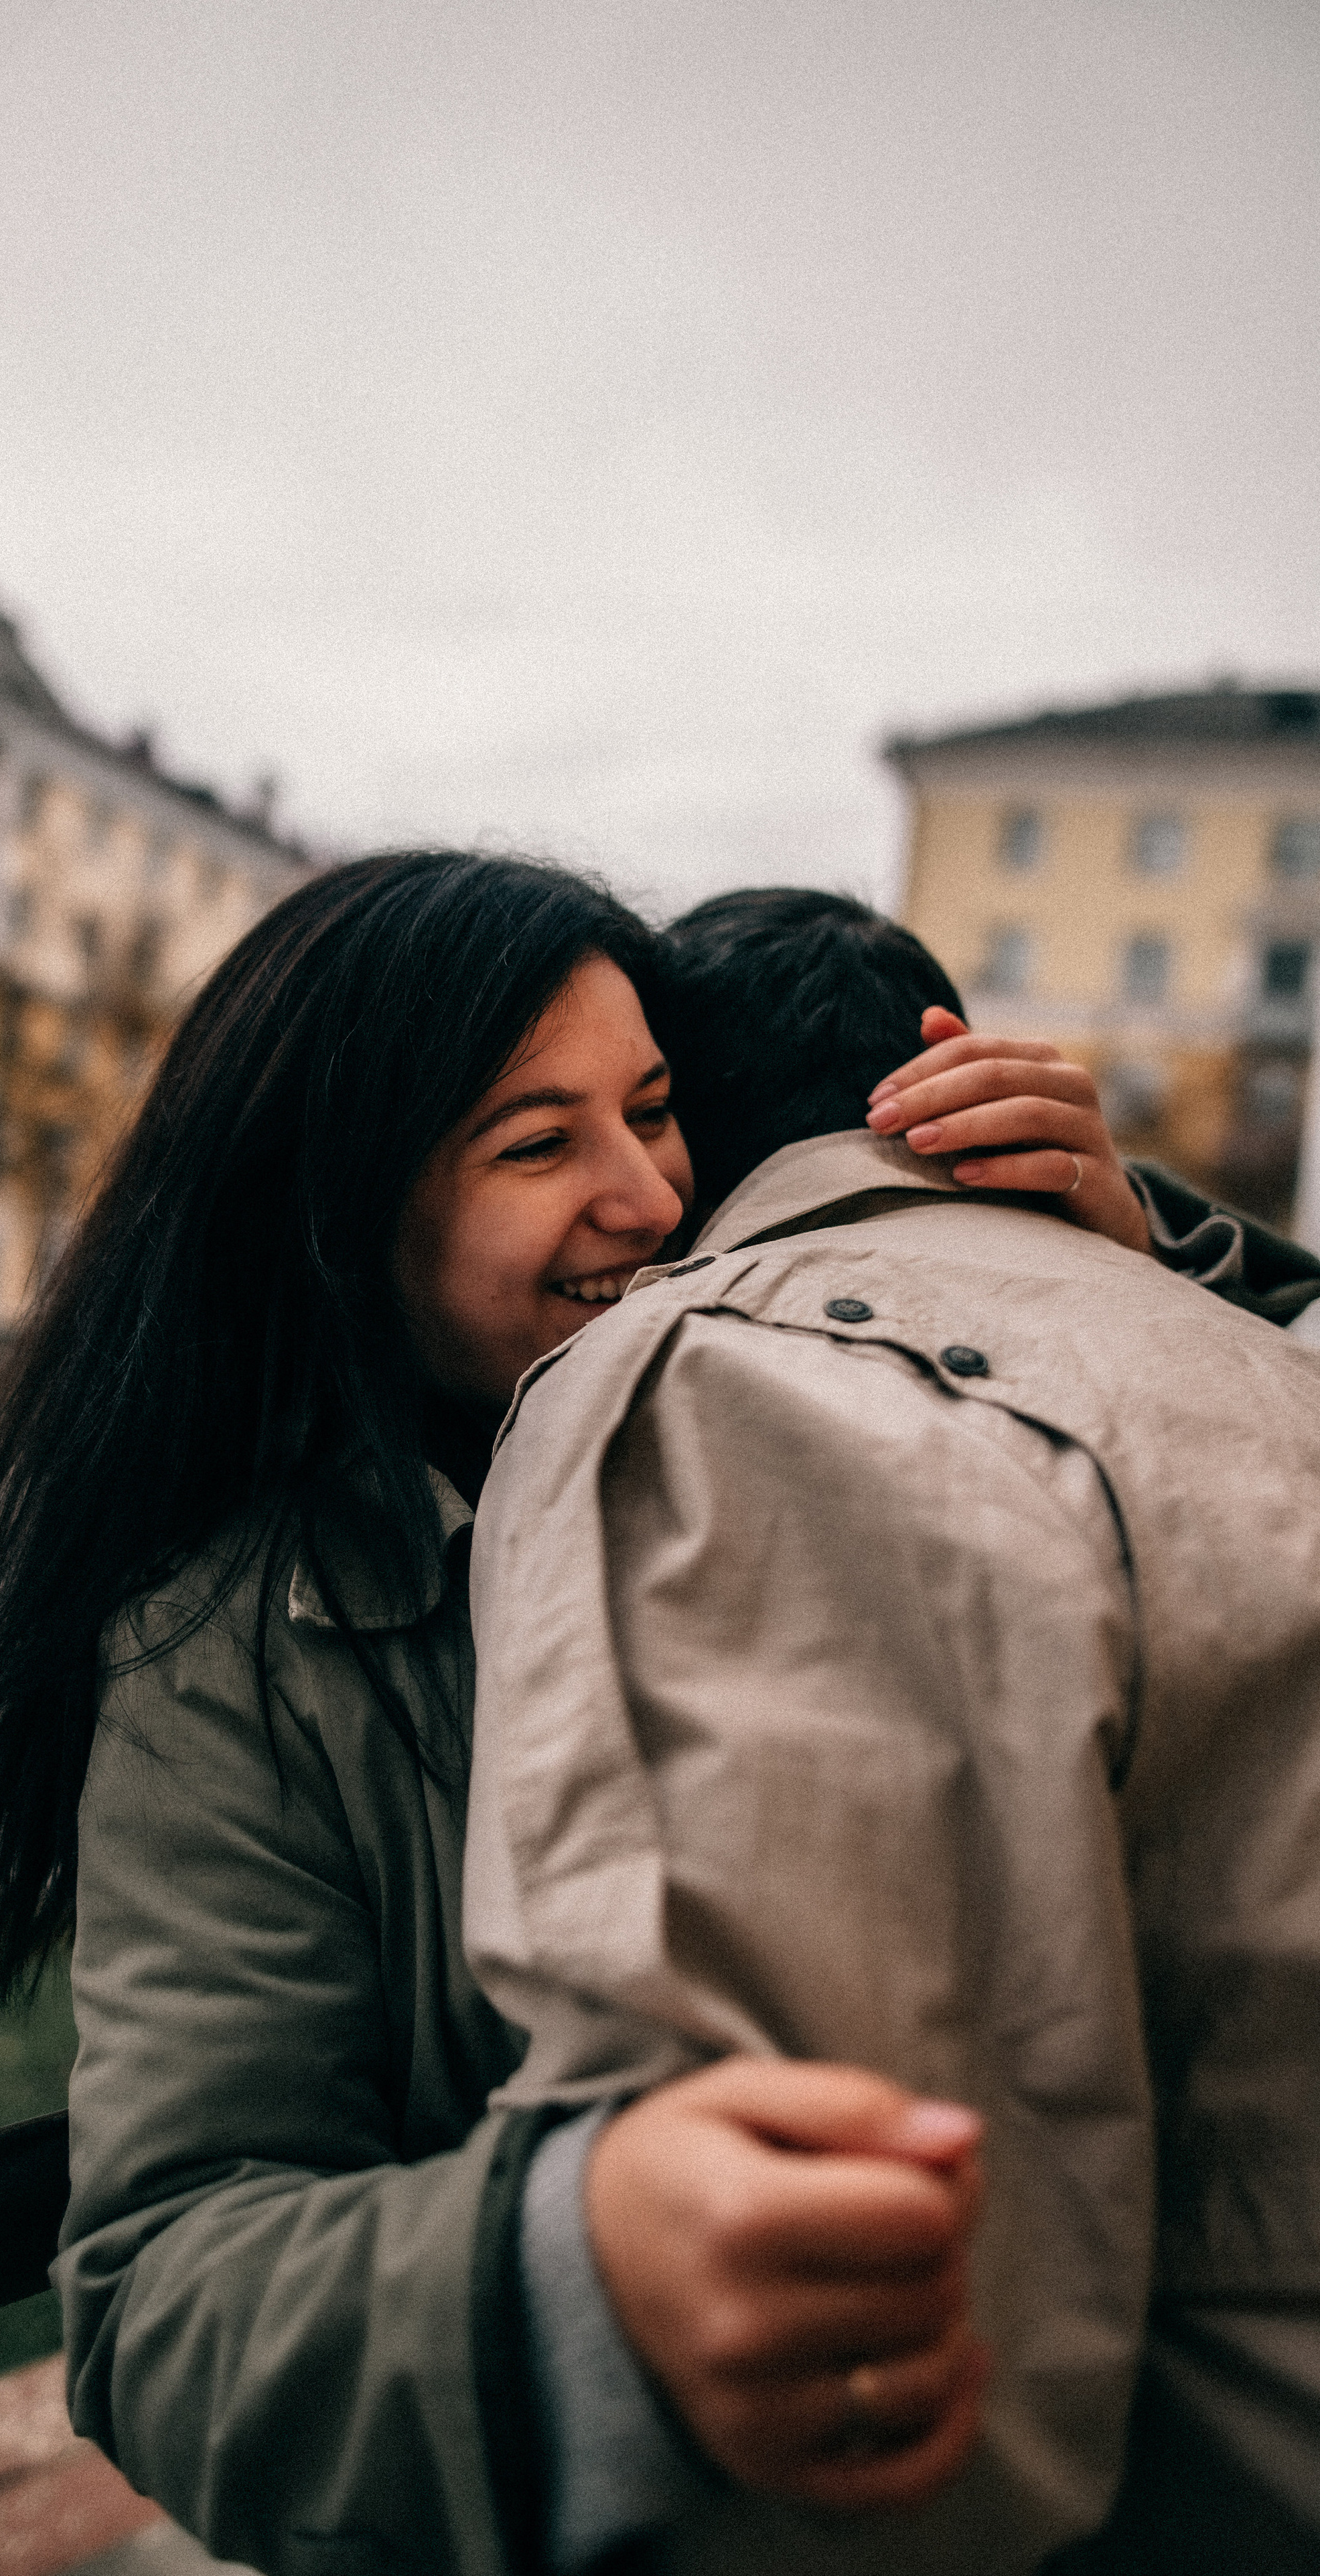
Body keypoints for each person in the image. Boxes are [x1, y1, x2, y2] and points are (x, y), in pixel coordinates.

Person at [0, 856, 1318, 2576]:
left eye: (656, 1111)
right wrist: (573, 2269)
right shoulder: (240, 1640)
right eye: (537, 1146)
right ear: (342, 1220)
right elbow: (166, 2299)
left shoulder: (794, 1417)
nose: (651, 1198)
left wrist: (1115, 1258)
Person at [463, 888, 1320, 2575]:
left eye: (641, 1117)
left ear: (687, 1131)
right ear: (946, 1062)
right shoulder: (1270, 1355)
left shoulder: (708, 1378)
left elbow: (847, 2274)